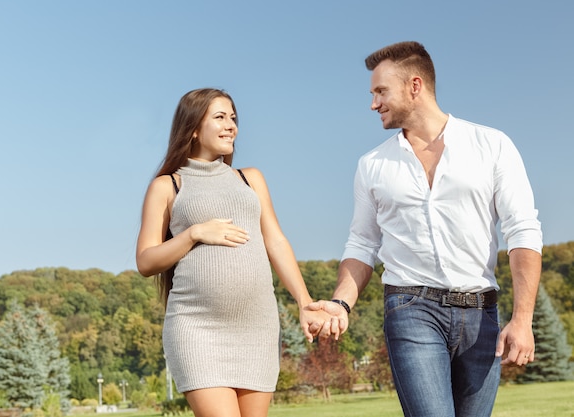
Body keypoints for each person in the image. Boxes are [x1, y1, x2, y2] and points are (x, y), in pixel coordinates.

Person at [307, 41, 543, 417]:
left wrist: (523, 319)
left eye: (380, 91)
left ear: (414, 86)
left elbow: (523, 231)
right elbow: (362, 243)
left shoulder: (492, 145)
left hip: (481, 313)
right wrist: (340, 302)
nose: (373, 103)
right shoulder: (373, 164)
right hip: (410, 309)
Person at [136, 88, 327, 417]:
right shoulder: (168, 186)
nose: (232, 126)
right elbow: (146, 260)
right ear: (194, 127)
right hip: (197, 330)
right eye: (220, 117)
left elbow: (276, 242)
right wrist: (195, 233)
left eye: (234, 118)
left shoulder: (250, 179)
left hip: (256, 327)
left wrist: (304, 302)